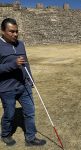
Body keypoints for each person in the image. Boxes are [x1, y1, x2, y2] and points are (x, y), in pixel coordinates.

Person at [0, 18, 46, 146]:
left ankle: (30, 138)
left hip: (23, 85)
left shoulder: (20, 44)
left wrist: (30, 78)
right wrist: (13, 64)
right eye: (11, 31)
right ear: (2, 31)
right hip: (6, 88)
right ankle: (5, 134)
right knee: (9, 114)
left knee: (30, 112)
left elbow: (26, 63)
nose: (15, 34)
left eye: (16, 31)